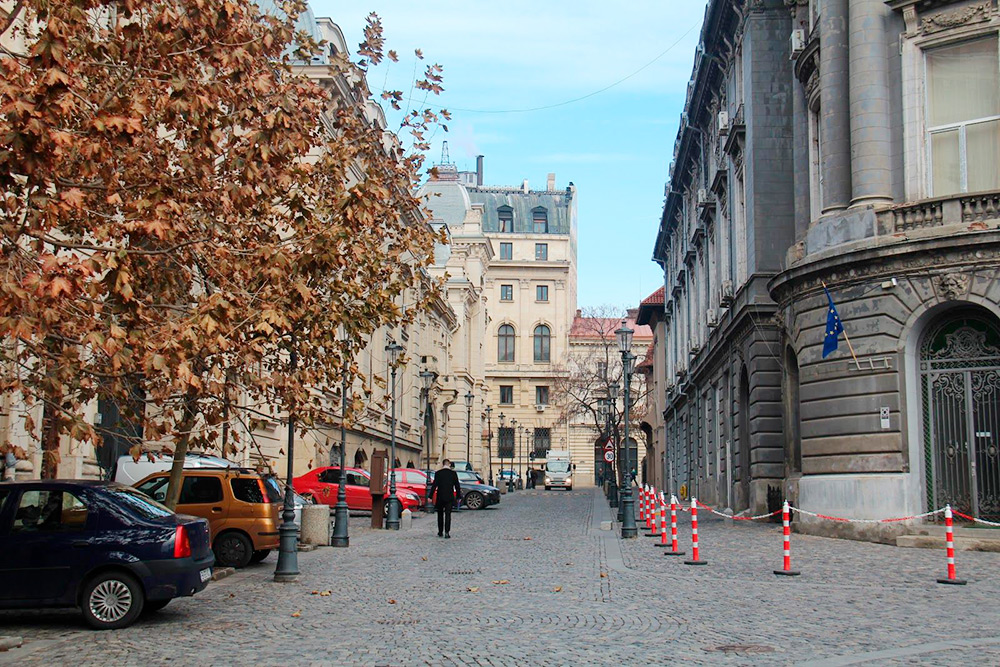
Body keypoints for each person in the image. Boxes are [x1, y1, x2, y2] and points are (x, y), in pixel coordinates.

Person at [429, 458, 462, 538]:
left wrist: (430, 496)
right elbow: (457, 486)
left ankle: (440, 531)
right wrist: (458, 496)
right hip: (449, 497)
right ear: (449, 464)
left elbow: (434, 485)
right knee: (448, 515)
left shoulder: (438, 473)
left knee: (440, 515)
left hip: (440, 496)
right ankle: (447, 532)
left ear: (443, 464)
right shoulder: (453, 473)